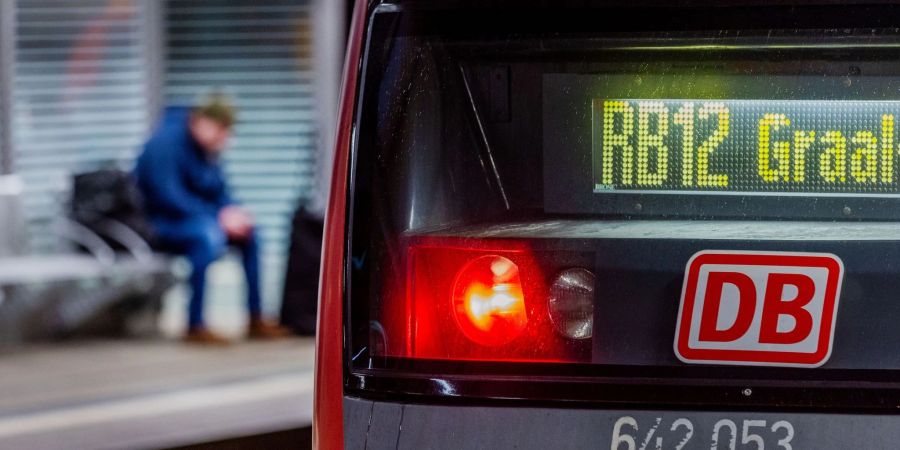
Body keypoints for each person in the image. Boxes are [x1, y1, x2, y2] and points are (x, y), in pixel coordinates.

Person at [134, 95, 291, 344]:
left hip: (198, 220)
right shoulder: (164, 144)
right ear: (201, 121)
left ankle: (255, 317)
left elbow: (219, 191)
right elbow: (168, 198)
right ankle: (195, 324)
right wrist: (218, 218)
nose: (224, 138)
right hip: (159, 224)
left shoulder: (206, 149)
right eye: (220, 130)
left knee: (250, 234)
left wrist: (233, 212)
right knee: (206, 238)